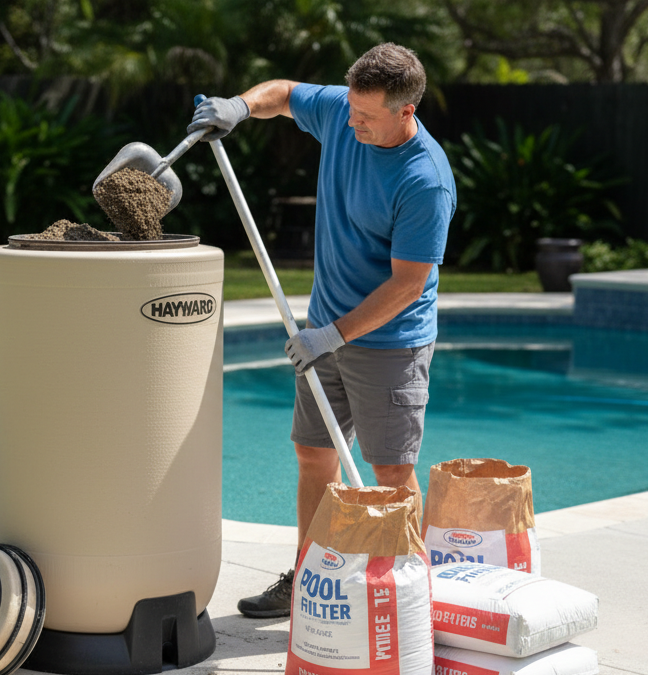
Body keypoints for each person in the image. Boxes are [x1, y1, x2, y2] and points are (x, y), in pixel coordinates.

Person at [188, 43, 455, 618]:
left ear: (406, 111)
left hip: (388, 341)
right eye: (351, 108)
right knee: (312, 455)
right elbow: (283, 95)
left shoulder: (424, 179)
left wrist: (334, 335)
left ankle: (407, 598)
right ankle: (310, 580)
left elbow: (409, 284)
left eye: (366, 116)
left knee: (391, 472)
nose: (351, 120)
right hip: (323, 332)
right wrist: (238, 105)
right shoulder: (343, 110)